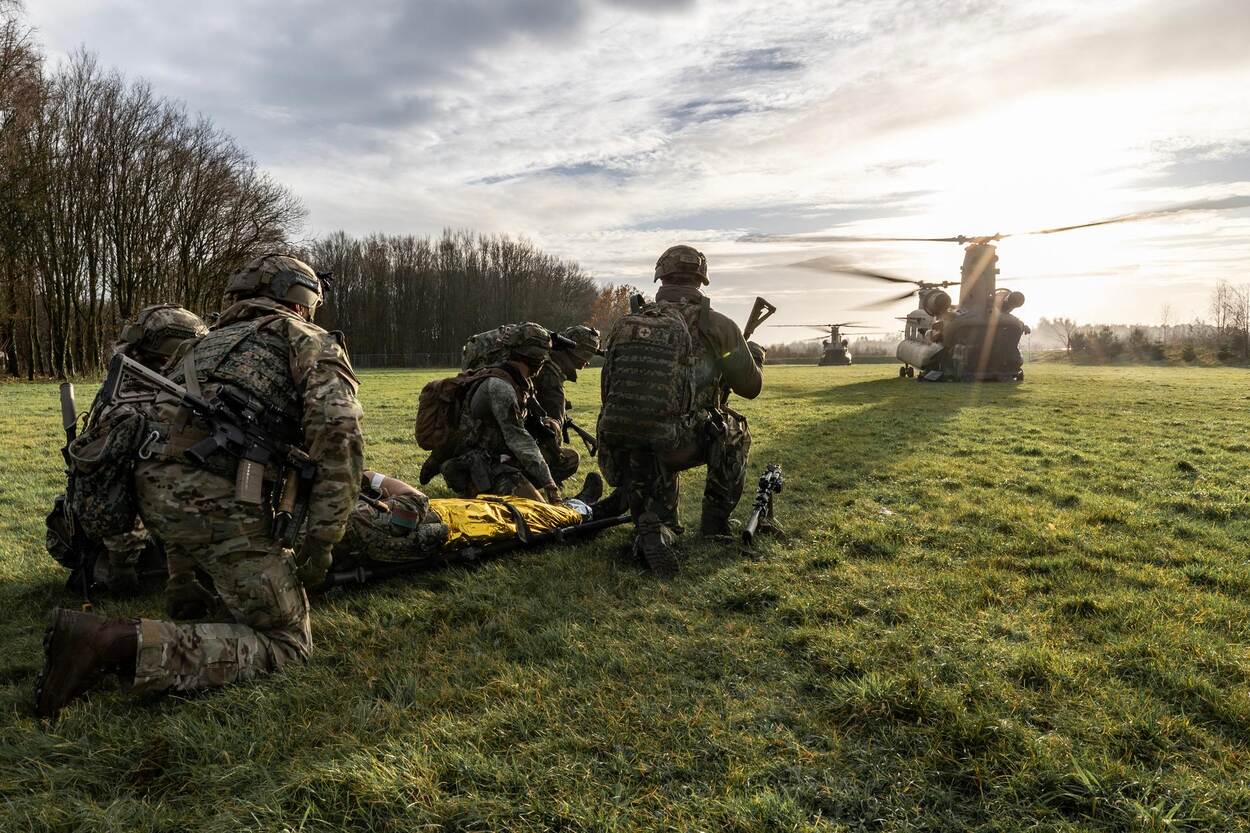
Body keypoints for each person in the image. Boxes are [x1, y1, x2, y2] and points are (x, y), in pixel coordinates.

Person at [35, 253, 364, 718]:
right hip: (220, 504)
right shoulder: (304, 338)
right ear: (303, 299)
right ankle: (112, 643)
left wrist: (182, 581)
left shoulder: (199, 347)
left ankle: (191, 598)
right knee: (287, 642)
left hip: (152, 497)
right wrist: (323, 542)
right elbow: (338, 438)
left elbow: (175, 447)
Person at [598, 245, 765, 574]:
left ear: (661, 277)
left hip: (621, 447)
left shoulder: (626, 324)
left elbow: (608, 390)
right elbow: (750, 387)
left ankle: (658, 529)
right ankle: (714, 524)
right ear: (702, 280)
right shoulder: (718, 325)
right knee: (733, 429)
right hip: (677, 443)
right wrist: (754, 358)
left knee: (663, 434)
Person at [47, 304, 209, 595]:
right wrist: (123, 570)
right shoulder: (137, 405)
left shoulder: (131, 391)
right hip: (145, 540)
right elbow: (115, 490)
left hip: (148, 534)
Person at [330, 469, 607, 575]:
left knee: (499, 503)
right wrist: (372, 477)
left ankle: (572, 504)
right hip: (446, 525)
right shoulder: (354, 520)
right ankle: (583, 509)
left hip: (434, 519)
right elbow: (414, 506)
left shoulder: (318, 529)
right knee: (513, 514)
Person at [437, 323, 565, 504]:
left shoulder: (519, 382)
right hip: (482, 464)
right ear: (535, 358)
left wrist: (547, 424)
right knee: (539, 512)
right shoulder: (500, 387)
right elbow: (519, 440)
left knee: (568, 458)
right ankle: (473, 488)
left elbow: (527, 423)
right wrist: (550, 484)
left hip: (504, 458)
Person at [532, 325, 600, 486]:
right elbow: (552, 437)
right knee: (569, 459)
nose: (586, 364)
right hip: (510, 457)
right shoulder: (551, 378)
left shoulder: (540, 365)